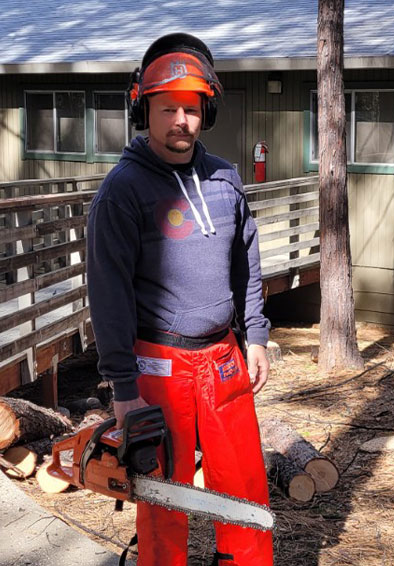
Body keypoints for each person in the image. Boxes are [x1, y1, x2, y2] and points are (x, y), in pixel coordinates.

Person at [87, 32, 273, 566]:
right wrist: (123, 389)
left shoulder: (224, 179)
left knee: (243, 492)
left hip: (223, 357)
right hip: (158, 364)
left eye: (191, 109)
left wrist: (255, 335)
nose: (179, 122)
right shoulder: (122, 191)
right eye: (167, 108)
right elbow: (109, 295)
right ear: (143, 108)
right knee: (162, 495)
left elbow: (247, 260)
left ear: (206, 113)